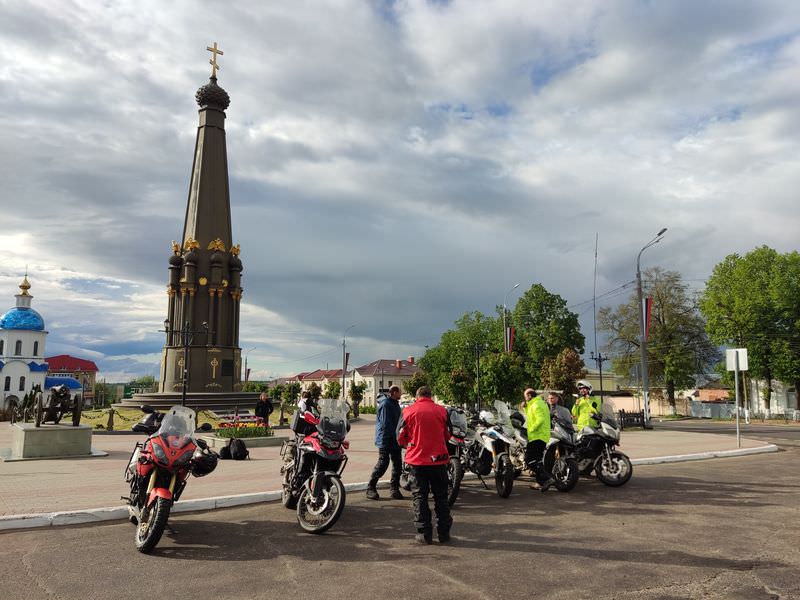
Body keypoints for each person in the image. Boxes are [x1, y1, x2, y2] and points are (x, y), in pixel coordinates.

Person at [396, 386, 452, 544]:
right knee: (441, 496)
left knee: (420, 496)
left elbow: (400, 436)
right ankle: (444, 533)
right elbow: (448, 434)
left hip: (417, 461)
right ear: (431, 396)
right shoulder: (441, 411)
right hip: (438, 460)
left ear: (417, 396)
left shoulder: (408, 411)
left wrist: (409, 444)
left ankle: (424, 533)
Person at [366, 385, 404, 500]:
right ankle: (371, 487)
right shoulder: (386, 404)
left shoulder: (395, 404)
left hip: (395, 439)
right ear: (394, 392)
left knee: (397, 465)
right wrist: (396, 435)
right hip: (385, 439)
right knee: (383, 463)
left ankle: (394, 488)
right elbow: (386, 424)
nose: (401, 394)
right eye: (399, 392)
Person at [523, 388, 553, 491]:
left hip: (537, 436)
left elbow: (540, 419)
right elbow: (531, 416)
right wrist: (525, 408)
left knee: (529, 459)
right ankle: (541, 483)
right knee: (537, 460)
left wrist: (531, 429)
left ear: (530, 396)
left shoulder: (536, 404)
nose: (525, 399)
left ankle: (547, 478)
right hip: (541, 436)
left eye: (526, 396)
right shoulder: (537, 403)